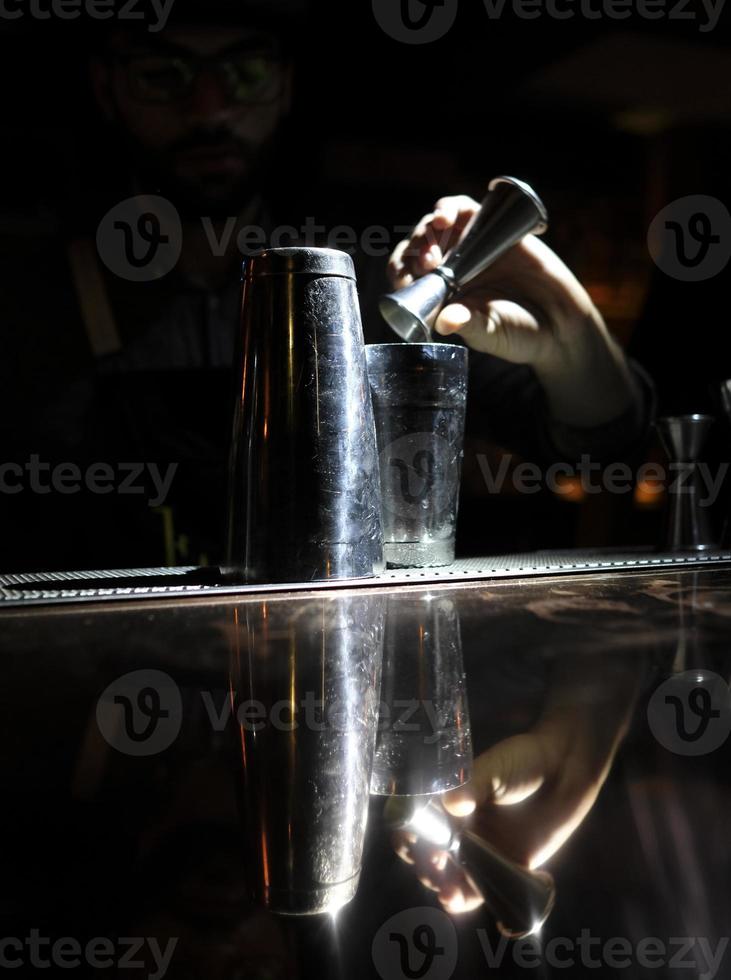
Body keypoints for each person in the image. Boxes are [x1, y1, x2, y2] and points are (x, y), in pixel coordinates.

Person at [0, 0, 653, 573]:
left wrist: (568, 337)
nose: (209, 106)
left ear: (283, 85)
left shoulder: (371, 284)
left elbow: (599, 449)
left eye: (244, 71)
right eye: (161, 74)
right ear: (106, 88)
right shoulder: (29, 294)